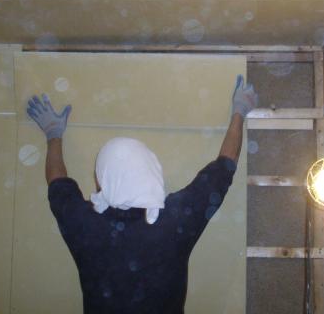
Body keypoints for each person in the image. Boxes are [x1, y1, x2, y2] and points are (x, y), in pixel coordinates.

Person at [27, 75, 258, 314]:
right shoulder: (176, 220)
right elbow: (224, 167)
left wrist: (53, 134)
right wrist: (239, 112)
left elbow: (56, 182)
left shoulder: (84, 224)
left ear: (103, 180)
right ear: (151, 170)